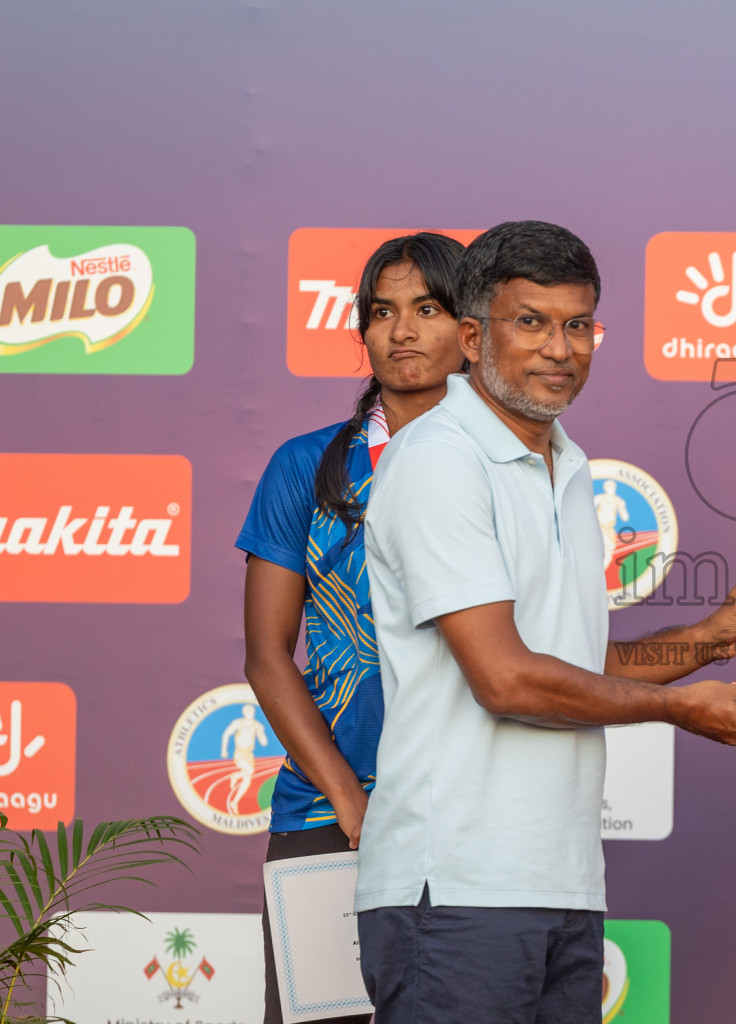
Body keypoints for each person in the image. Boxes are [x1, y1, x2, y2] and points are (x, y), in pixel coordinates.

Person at [356, 220, 736, 1023]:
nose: (560, 349)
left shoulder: (567, 462)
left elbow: (579, 663)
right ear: (471, 335)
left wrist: (718, 634)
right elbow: (505, 678)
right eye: (530, 323)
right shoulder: (440, 462)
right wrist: (675, 710)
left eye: (578, 325)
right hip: (453, 890)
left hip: (559, 885)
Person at [237, 231, 467, 1024]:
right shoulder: (307, 466)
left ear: (469, 328)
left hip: (474, 818)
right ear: (362, 331)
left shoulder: (513, 466)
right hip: (328, 818)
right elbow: (268, 658)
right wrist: (349, 801)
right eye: (383, 312)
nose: (402, 331)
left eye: (427, 308)